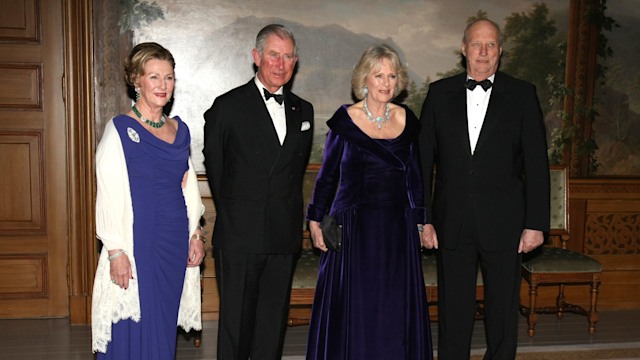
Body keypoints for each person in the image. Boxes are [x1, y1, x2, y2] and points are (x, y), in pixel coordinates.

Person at [419, 18, 550, 359]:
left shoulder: (522, 94)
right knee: (453, 309)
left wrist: (536, 223)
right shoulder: (438, 94)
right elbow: (421, 163)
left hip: (506, 223)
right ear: (463, 49)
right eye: (476, 44)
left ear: (500, 51)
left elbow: (536, 165)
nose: (483, 51)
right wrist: (423, 218)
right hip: (451, 222)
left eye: (491, 44)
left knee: (503, 313)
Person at [306, 44, 433, 360]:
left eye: (392, 75)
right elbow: (327, 176)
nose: (386, 83)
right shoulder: (345, 120)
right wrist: (315, 219)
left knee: (392, 306)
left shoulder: (407, 120)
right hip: (353, 230)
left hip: (396, 229)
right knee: (357, 307)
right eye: (379, 75)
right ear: (365, 78)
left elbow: (415, 179)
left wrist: (422, 221)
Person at [202, 24, 313, 360]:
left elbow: (293, 175)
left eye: (288, 56)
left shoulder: (303, 110)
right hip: (240, 236)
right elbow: (218, 173)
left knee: (271, 327)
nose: (280, 64)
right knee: (236, 330)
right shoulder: (227, 107)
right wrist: (241, 214)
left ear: (296, 61)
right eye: (273, 55)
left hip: (283, 237)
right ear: (256, 57)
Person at [91, 42, 206, 359]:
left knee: (163, 324)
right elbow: (109, 192)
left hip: (173, 242)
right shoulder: (120, 129)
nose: (162, 85)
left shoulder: (179, 130)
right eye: (154, 77)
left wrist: (195, 234)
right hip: (138, 242)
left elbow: (189, 189)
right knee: (136, 324)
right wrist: (115, 251)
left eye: (168, 78)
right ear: (136, 80)